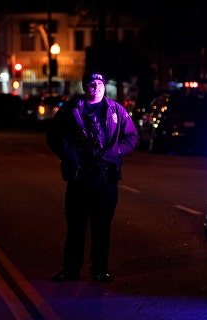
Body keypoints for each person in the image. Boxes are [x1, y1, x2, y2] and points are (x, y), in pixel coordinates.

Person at [46, 71, 139, 282]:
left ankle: (99, 269)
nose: (95, 87)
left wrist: (113, 152)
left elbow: (132, 136)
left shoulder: (116, 110)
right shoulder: (71, 110)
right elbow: (53, 136)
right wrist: (70, 152)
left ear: (104, 87)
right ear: (84, 87)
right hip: (79, 176)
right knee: (76, 226)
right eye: (91, 84)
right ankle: (71, 269)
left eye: (99, 83)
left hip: (106, 177)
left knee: (102, 226)